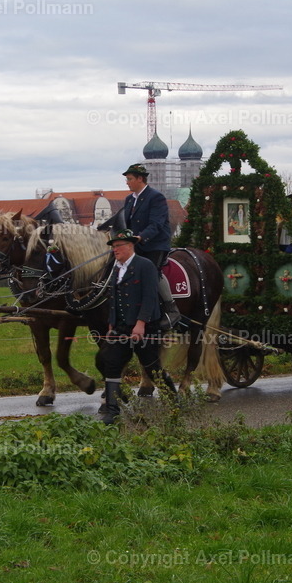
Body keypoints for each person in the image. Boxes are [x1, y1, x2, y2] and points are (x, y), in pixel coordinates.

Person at [95, 228, 174, 424]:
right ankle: (113, 411)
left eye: (118, 246)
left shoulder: (144, 265)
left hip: (145, 326)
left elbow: (149, 297)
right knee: (110, 362)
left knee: (151, 366)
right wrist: (112, 324)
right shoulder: (116, 268)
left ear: (130, 246)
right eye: (113, 247)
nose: (115, 250)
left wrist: (140, 324)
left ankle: (174, 400)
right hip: (121, 327)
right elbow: (113, 298)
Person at [119, 163, 179, 326]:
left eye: (130, 179)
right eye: (127, 179)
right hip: (136, 244)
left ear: (140, 179)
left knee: (152, 271)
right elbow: (128, 225)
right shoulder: (129, 199)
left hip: (155, 244)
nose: (127, 182)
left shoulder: (155, 197)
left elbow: (157, 224)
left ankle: (171, 308)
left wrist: (141, 237)